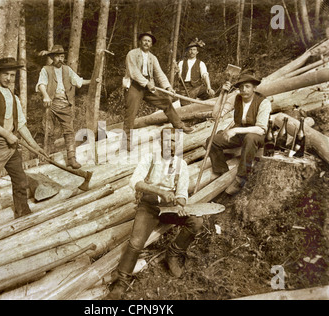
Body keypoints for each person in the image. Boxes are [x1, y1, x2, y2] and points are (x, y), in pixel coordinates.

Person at [106, 128, 203, 300]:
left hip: (170, 206)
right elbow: (135, 181)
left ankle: (173, 253)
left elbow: (182, 193)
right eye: (167, 140)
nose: (170, 145)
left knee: (196, 222)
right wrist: (158, 191)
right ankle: (121, 283)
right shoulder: (149, 158)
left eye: (174, 141)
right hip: (149, 204)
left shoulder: (182, 165)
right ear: (160, 142)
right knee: (136, 242)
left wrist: (180, 204)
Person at [0, 57, 47, 235]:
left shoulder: (14, 97)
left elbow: (20, 125)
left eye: (12, 75)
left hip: (9, 147)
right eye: (6, 74)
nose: (9, 78)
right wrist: (7, 134)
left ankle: (22, 213)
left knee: (21, 181)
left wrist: (36, 147)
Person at [122, 31, 195, 151]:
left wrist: (168, 87)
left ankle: (179, 125)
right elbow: (133, 72)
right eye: (144, 40)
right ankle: (126, 142)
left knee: (166, 102)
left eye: (149, 41)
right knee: (130, 113)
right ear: (140, 41)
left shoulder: (152, 58)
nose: (146, 43)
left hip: (148, 86)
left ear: (151, 44)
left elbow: (159, 73)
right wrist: (146, 83)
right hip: (135, 85)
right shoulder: (132, 54)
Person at [207, 70, 271, 195]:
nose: (244, 90)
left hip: (258, 137)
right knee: (212, 140)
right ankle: (223, 172)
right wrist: (222, 94)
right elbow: (216, 115)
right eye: (241, 87)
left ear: (254, 88)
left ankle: (241, 178)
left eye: (247, 86)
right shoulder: (236, 98)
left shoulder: (263, 102)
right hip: (240, 135)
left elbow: (261, 129)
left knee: (250, 138)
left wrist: (235, 130)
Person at [36, 44, 92, 169]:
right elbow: (41, 84)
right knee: (47, 131)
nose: (60, 59)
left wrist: (93, 80)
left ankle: (71, 158)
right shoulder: (46, 70)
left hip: (65, 104)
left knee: (69, 131)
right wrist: (45, 96)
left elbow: (79, 82)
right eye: (57, 56)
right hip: (50, 103)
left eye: (62, 56)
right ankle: (45, 157)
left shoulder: (67, 69)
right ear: (52, 57)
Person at [176, 39, 215, 104]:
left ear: (197, 52)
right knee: (186, 105)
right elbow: (178, 78)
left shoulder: (201, 63)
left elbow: (205, 75)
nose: (192, 52)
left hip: (197, 87)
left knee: (210, 95)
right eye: (190, 50)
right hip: (184, 89)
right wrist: (177, 74)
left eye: (194, 50)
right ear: (188, 51)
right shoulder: (181, 63)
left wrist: (209, 87)